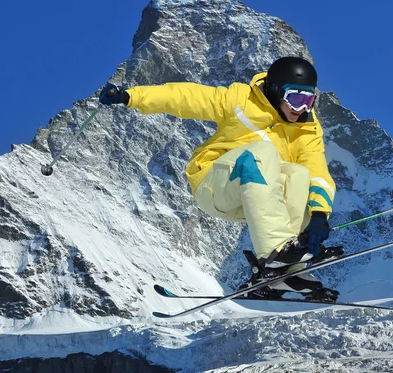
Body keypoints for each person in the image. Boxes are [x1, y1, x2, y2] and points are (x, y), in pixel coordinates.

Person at [99, 57, 343, 301]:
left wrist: (320, 214)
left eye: (308, 100)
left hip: (255, 198)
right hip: (215, 184)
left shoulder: (307, 129)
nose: (301, 109)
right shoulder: (241, 100)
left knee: (299, 174)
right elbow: (186, 97)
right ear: (277, 91)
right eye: (295, 99)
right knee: (261, 153)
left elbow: (317, 171)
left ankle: (285, 274)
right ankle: (274, 254)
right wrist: (131, 96)